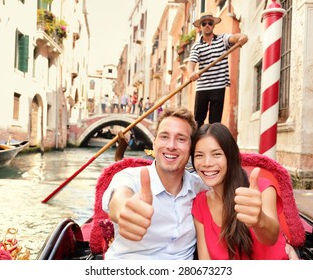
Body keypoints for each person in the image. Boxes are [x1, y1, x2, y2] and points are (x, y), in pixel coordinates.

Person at [102, 107, 206, 259]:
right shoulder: (130, 177)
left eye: (181, 139)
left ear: (191, 148)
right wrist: (125, 210)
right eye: (164, 137)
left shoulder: (200, 187)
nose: (171, 145)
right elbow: (119, 198)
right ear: (154, 143)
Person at [190, 123, 289, 260]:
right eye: (199, 155)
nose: (207, 163)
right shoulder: (200, 203)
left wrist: (260, 220)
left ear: (231, 156)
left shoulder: (263, 189)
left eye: (217, 154)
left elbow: (271, 238)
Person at [187, 12, 248, 128]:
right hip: (202, 87)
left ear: (213, 25)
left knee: (215, 123)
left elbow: (234, 37)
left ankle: (211, 145)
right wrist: (191, 73)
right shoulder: (197, 46)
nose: (207, 25)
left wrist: (241, 36)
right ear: (200, 27)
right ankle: (197, 145)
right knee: (198, 121)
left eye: (210, 23)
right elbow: (191, 64)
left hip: (218, 86)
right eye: (204, 23)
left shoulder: (222, 39)